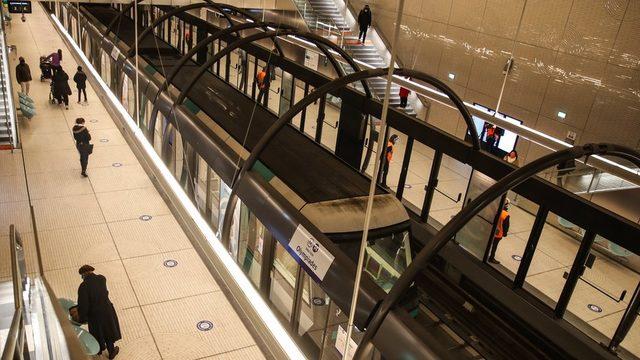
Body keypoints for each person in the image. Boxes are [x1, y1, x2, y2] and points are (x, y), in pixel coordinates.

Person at [76, 265, 121, 359]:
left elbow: (84, 305)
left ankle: (98, 351)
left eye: (82, 276)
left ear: (84, 274)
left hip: (94, 315)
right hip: (107, 311)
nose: (82, 278)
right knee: (108, 331)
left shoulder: (83, 286)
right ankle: (112, 351)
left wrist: (81, 318)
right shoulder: (102, 278)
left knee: (97, 333)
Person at [488, 200, 511, 264]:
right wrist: (505, 234)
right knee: (494, 246)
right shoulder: (506, 215)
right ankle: (491, 258)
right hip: (498, 233)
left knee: (489, 243)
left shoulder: (496, 210)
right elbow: (506, 226)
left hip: (491, 230)